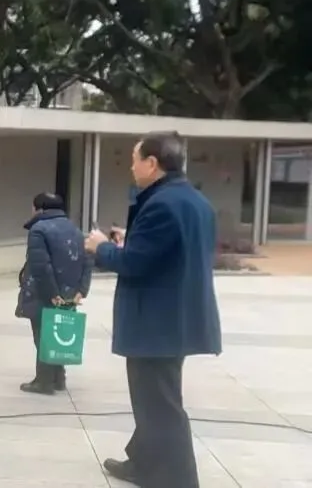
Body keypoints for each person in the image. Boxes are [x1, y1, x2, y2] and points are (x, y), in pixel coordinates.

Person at [84, 131, 221, 488]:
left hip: (157, 323)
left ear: (152, 163)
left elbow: (134, 263)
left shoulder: (161, 204)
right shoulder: (195, 201)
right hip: (176, 318)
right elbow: (167, 254)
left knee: (160, 406)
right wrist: (130, 241)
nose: (131, 167)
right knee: (153, 399)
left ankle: (179, 480)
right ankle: (143, 464)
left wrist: (101, 247)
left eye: (134, 160)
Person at [15, 192, 92, 395]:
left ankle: (44, 381)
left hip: (44, 292)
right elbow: (87, 260)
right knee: (57, 333)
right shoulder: (74, 229)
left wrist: (51, 293)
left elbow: (41, 266)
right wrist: (81, 290)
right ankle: (58, 378)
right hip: (69, 292)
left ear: (39, 209)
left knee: (42, 335)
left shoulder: (38, 230)